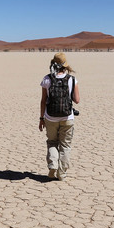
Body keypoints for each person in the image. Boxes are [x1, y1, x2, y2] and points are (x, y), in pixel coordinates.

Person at [39, 53, 80, 181]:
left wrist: (41, 119)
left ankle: (53, 165)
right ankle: (61, 174)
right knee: (65, 146)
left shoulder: (47, 79)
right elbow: (77, 100)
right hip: (67, 118)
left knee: (52, 142)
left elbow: (43, 100)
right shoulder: (72, 80)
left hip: (50, 117)